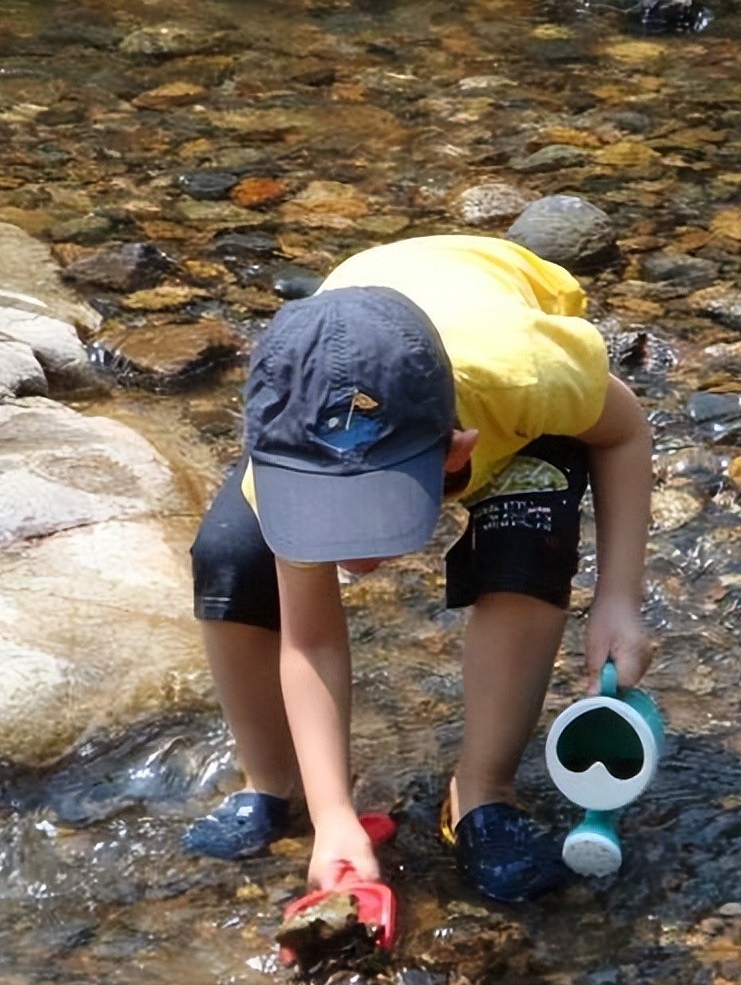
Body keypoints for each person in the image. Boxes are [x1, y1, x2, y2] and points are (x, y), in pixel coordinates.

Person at [184, 234, 654, 903]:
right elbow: (310, 639)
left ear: (458, 452)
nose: (356, 558)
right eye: (328, 521)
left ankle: (483, 793)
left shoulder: (525, 378)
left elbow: (625, 431)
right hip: (334, 381)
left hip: (485, 334)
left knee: (526, 538)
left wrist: (618, 601)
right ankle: (273, 785)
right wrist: (333, 817)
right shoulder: (288, 450)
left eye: (377, 517)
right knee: (229, 556)